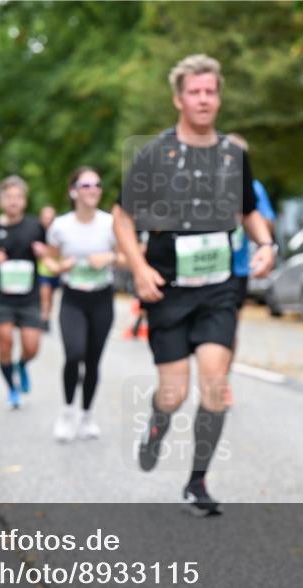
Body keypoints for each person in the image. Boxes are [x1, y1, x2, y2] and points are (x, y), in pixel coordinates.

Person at [113, 54, 275, 516]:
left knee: (215, 385)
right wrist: (139, 268)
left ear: (218, 98)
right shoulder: (155, 154)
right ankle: (157, 425)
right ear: (178, 99)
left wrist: (266, 244)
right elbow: (122, 217)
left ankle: (197, 482)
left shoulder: (233, 155)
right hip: (166, 288)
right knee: (173, 394)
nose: (203, 99)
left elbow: (248, 211)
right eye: (194, 92)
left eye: (210, 92)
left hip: (218, 288)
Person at [43, 167, 122, 441]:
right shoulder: (60, 225)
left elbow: (129, 256)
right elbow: (49, 259)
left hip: (101, 297)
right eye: (86, 185)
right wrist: (58, 266)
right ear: (73, 191)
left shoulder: (110, 223)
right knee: (74, 353)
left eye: (97, 185)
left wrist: (110, 258)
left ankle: (87, 415)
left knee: (93, 360)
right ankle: (67, 413)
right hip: (73, 298)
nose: (93, 190)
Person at [0, 176, 48, 409]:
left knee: (31, 347)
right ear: (0, 201)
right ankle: (12, 388)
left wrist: (44, 252)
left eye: (18, 197)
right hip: (1, 297)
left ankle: (22, 365)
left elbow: (52, 253)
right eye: (8, 197)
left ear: (25, 201)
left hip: (29, 297)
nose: (13, 201)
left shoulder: (35, 227)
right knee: (5, 341)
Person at [224, 133, 277, 408]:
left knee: (229, 328)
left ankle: (221, 380)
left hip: (238, 268)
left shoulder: (253, 188)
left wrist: (245, 216)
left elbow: (267, 225)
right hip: (204, 267)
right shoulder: (205, 183)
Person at [37, 205, 60, 330]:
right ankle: (44, 318)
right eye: (45, 218)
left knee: (50, 296)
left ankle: (47, 316)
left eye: (50, 218)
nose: (47, 220)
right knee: (44, 295)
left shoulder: (58, 232)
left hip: (56, 269)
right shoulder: (36, 232)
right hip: (42, 270)